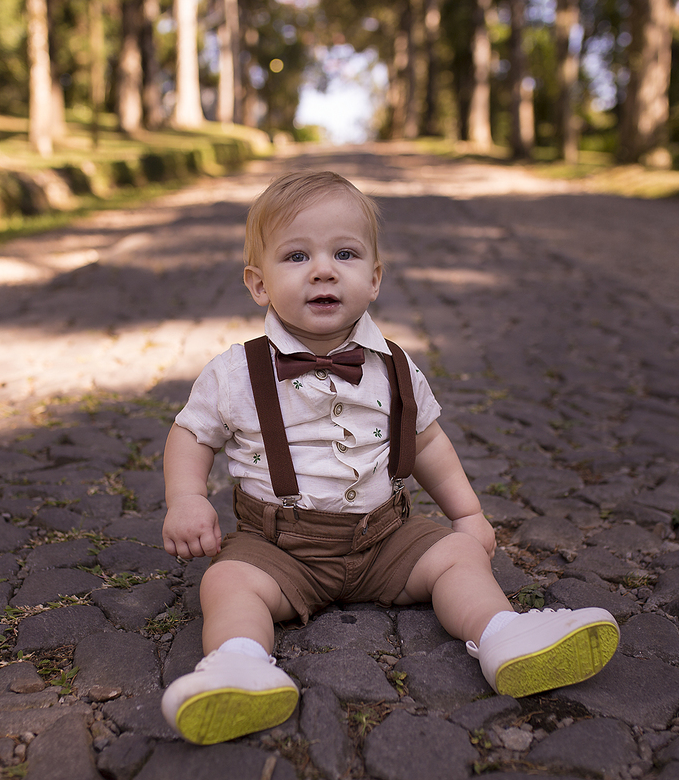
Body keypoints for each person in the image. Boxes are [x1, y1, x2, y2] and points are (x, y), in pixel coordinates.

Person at [159, 170, 618, 745]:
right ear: (258, 284)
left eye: (344, 253)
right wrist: (186, 498)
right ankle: (239, 666)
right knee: (226, 582)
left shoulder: (395, 365)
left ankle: (503, 635)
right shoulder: (234, 373)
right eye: (297, 256)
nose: (323, 269)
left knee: (455, 557)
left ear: (373, 279)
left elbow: (428, 443)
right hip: (277, 549)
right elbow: (191, 435)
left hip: (385, 540)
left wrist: (468, 516)